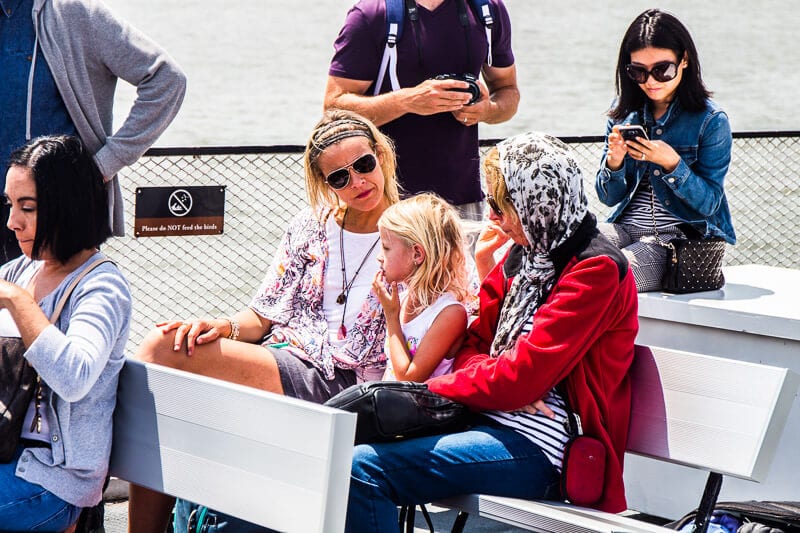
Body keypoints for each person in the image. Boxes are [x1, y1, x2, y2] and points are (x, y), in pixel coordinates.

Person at [344, 131, 639, 532]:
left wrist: (442, 387)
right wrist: (502, 380)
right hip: (486, 419)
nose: (493, 219)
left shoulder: (595, 269)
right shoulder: (527, 253)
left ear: (538, 202)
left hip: (544, 448)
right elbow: (476, 344)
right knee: (348, 452)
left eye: (501, 206)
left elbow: (521, 378)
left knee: (362, 469)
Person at [127, 109, 401, 533]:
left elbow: (455, 312)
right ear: (325, 184)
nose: (358, 182)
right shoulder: (310, 226)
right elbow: (262, 314)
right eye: (340, 178)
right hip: (289, 360)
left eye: (364, 165)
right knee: (166, 350)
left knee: (163, 356)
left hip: (354, 381)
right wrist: (223, 327)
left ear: (382, 155)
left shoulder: (416, 228)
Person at [0, 135, 132, 531]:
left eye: (28, 207)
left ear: (67, 208)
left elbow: (75, 377)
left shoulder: (102, 286)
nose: (12, 222)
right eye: (10, 205)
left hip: (52, 480)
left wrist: (19, 303)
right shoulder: (20, 271)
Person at [0, 0, 186, 263]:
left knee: (53, 303)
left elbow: (166, 79)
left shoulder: (74, 12)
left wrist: (102, 166)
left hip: (59, 209)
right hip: (13, 204)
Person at [325, 0, 519, 220]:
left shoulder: (487, 10)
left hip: (463, 201)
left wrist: (486, 110)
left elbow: (508, 91)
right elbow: (334, 107)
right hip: (388, 203)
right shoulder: (371, 14)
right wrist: (408, 101)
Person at [595, 8, 735, 292]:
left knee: (608, 277)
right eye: (639, 71)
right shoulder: (622, 114)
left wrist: (673, 164)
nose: (651, 81)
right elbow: (608, 198)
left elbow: (710, 203)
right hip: (624, 229)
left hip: (674, 241)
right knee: (560, 251)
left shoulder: (711, 121)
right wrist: (615, 163)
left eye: (662, 70)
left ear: (684, 60)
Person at [373, 193, 470, 382]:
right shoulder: (404, 298)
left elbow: (407, 379)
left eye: (386, 248)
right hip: (394, 404)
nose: (379, 256)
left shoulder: (450, 313)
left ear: (417, 254)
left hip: (421, 409)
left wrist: (392, 317)